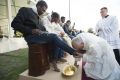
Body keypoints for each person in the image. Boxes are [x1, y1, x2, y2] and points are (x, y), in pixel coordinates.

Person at [11, 0, 77, 72]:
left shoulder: (38, 16)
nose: (43, 12)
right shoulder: (25, 10)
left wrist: (44, 32)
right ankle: (73, 52)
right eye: (43, 10)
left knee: (55, 37)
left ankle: (54, 60)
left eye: (44, 11)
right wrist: (31, 31)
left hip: (38, 35)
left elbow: (40, 29)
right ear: (38, 6)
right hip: (30, 37)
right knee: (54, 37)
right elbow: (14, 24)